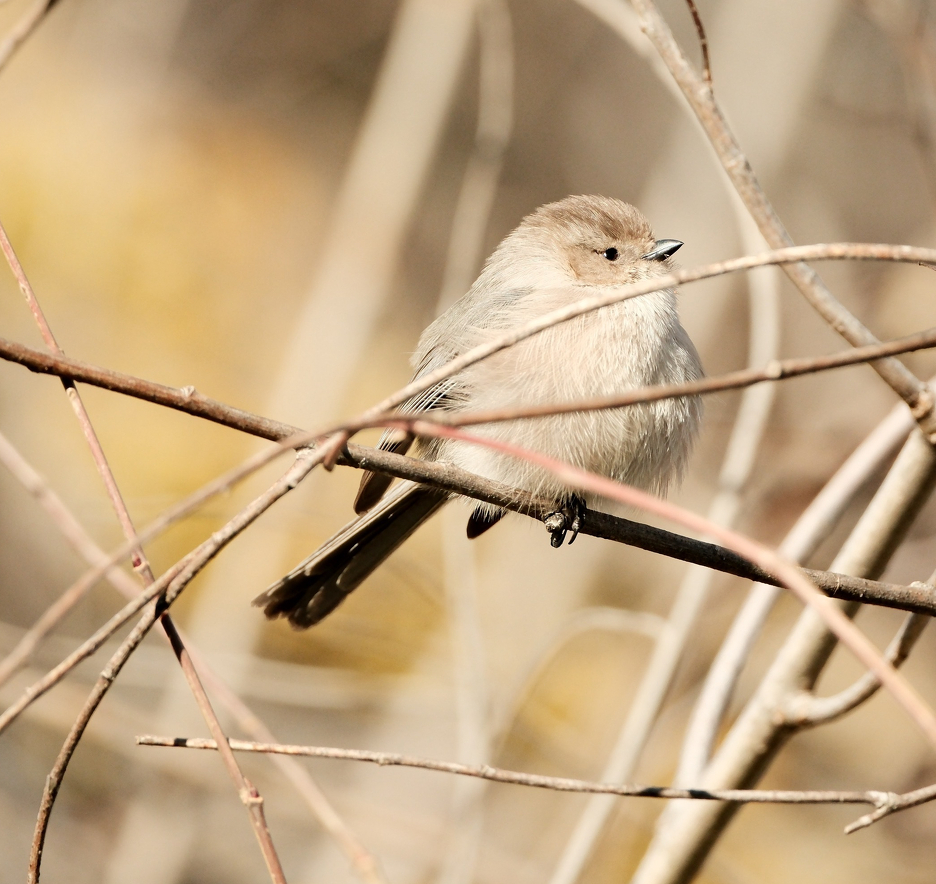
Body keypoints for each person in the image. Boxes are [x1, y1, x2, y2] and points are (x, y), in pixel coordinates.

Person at [256, 195, 705, 628]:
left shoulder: (663, 327)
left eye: (647, 252)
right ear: (572, 258)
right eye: (612, 254)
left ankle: (566, 501)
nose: (652, 260)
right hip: (473, 448)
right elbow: (432, 388)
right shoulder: (534, 303)